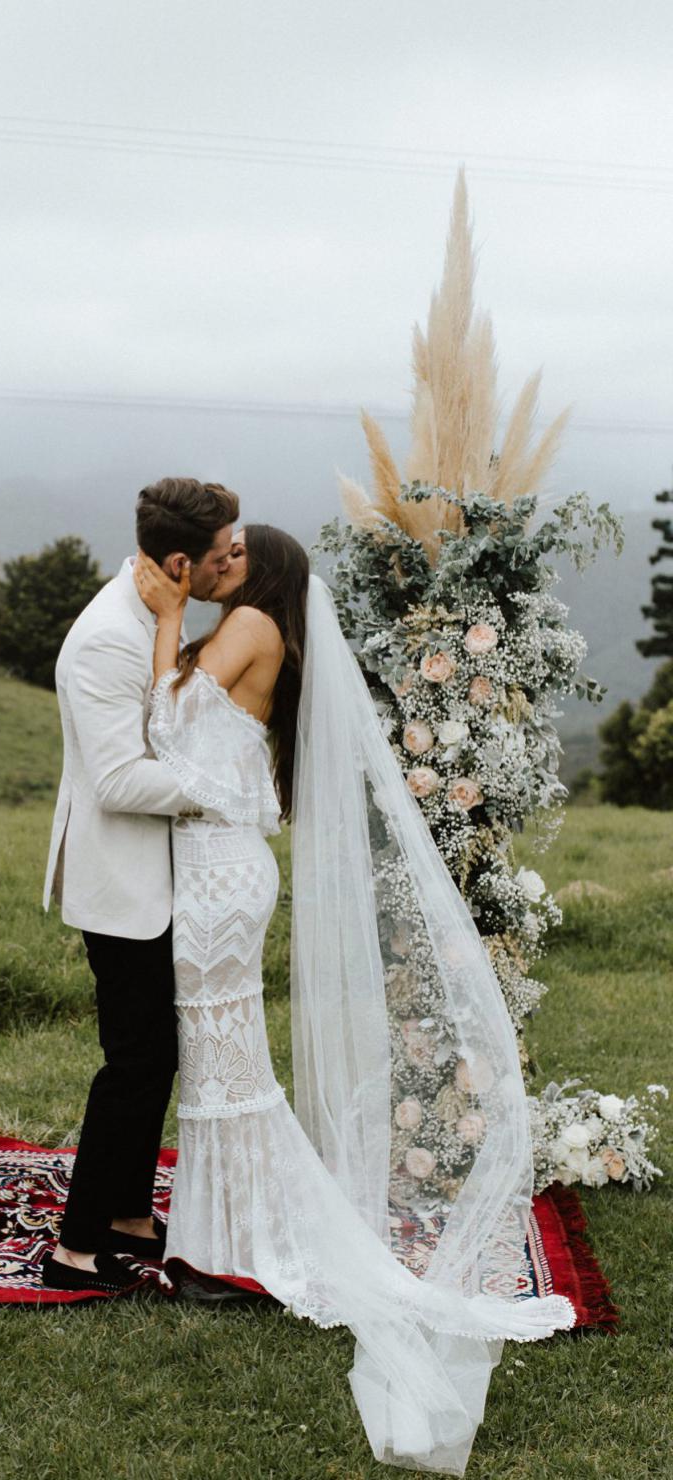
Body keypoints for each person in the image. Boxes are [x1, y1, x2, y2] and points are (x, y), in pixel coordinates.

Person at [129, 527, 573, 1472]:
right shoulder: (263, 629)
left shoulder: (247, 623)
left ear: (269, 571)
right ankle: (220, 1233)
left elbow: (165, 729)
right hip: (217, 869)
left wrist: (168, 622)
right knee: (222, 1062)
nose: (222, 560)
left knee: (224, 1066)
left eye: (240, 550)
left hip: (215, 881)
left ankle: (233, 1244)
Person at [40, 476, 238, 1291]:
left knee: (157, 1057)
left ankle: (127, 1212)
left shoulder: (153, 615)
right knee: (132, 1061)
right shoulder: (103, 642)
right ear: (184, 563)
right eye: (227, 554)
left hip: (155, 879)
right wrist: (225, 785)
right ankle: (75, 1249)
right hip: (120, 882)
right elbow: (119, 781)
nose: (237, 563)